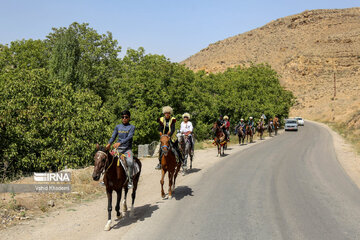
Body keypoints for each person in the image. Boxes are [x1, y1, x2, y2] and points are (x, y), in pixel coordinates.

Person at [106, 110, 135, 189]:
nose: (124, 119)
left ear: (129, 118)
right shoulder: (118, 127)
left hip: (127, 150)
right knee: (106, 159)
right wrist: (109, 143)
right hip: (117, 149)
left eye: (126, 117)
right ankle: (105, 179)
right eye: (122, 117)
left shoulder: (132, 127)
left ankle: (130, 181)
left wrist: (120, 143)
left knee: (130, 162)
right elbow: (113, 137)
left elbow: (129, 137)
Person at [155, 106, 183, 170]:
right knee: (161, 149)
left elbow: (173, 129)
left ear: (170, 113)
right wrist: (161, 134)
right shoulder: (161, 119)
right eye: (165, 113)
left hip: (171, 136)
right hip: (164, 137)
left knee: (177, 148)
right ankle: (159, 163)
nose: (167, 114)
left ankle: (181, 160)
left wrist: (169, 135)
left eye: (168, 113)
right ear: (164, 113)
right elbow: (160, 128)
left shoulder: (172, 119)